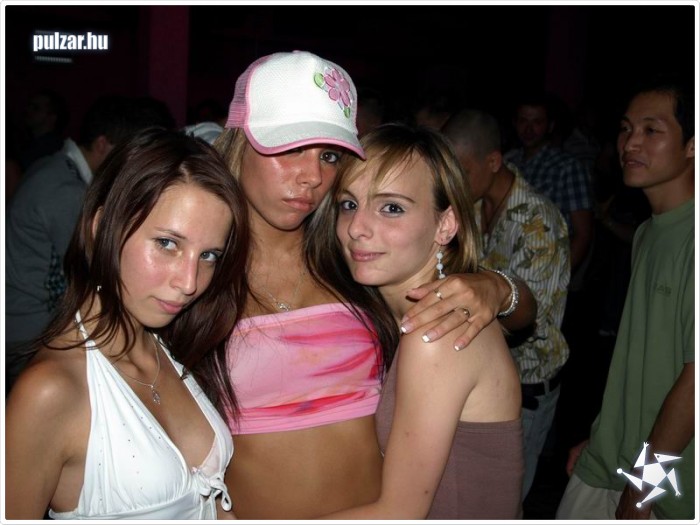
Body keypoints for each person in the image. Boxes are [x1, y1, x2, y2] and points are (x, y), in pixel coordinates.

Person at [200, 50, 535, 519]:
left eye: (329, 155)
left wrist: (498, 288)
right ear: (238, 142)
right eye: (289, 147)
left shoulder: (350, 266)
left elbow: (507, 323)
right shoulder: (198, 272)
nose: (312, 177)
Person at [5, 128, 249, 519]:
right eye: (167, 244)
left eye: (208, 255)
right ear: (102, 227)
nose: (190, 283)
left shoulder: (168, 348)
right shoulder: (50, 390)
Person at [317, 123, 523, 519]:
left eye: (391, 208)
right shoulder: (408, 316)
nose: (356, 228)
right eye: (348, 204)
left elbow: (399, 513)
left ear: (445, 225)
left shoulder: (437, 333)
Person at [556, 77, 694, 520]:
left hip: (664, 482)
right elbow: (644, 360)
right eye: (625, 128)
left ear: (692, 145)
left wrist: (644, 487)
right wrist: (606, 435)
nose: (630, 143)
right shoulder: (648, 233)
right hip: (614, 459)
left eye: (652, 130)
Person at [5, 95, 176, 392]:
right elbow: (95, 271)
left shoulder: (54, 166)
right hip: (29, 331)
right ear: (102, 145)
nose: (136, 166)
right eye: (134, 154)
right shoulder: (66, 191)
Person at [443, 109, 570, 499]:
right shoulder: (473, 206)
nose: (452, 183)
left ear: (493, 162)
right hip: (480, 376)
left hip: (526, 384)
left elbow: (528, 322)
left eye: (461, 172)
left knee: (503, 498)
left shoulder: (538, 222)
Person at [504, 90, 594, 276]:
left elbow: (582, 234)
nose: (529, 129)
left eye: (537, 122)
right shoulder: (509, 163)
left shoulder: (568, 167)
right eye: (523, 121)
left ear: (550, 126)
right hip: (507, 267)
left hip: (545, 271)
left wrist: (557, 277)